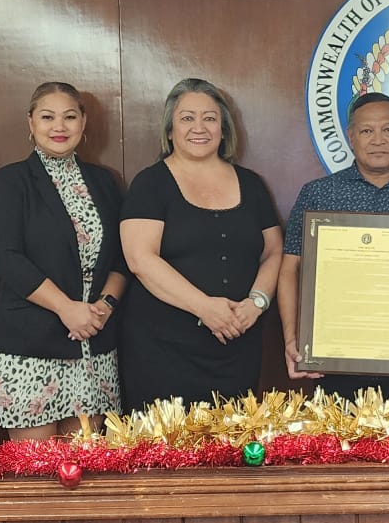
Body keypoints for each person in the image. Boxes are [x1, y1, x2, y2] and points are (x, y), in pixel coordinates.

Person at [279, 91, 389, 401]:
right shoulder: (318, 195)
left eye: (388, 130)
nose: (378, 140)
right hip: (334, 359)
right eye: (366, 131)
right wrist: (291, 337)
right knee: (340, 450)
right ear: (351, 137)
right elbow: (289, 269)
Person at [119, 78, 282, 407]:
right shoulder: (150, 183)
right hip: (162, 351)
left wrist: (257, 302)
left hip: (237, 345)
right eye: (187, 118)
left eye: (209, 118)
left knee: (230, 450)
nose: (199, 127)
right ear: (169, 130)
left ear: (223, 130)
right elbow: (140, 260)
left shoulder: (251, 185)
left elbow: (274, 251)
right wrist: (205, 308)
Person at [0, 82, 125, 440]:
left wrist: (103, 306)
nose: (59, 127)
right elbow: (5, 255)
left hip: (93, 342)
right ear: (31, 122)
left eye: (69, 117)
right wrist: (66, 308)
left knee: (87, 472)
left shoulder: (103, 182)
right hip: (30, 344)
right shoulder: (12, 180)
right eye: (47, 117)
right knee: (35, 477)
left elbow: (122, 257)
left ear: (83, 122)